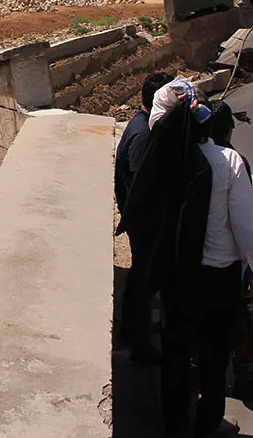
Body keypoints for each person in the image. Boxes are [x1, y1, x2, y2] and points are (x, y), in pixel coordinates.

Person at [124, 78, 253, 437]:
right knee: (214, 359)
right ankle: (206, 425)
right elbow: (247, 229)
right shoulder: (228, 161)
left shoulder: (159, 164)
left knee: (176, 353)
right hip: (219, 279)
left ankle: (174, 424)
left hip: (177, 280)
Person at [206, 100, 253, 403]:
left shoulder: (192, 156)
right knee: (241, 322)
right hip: (228, 262)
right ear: (230, 129)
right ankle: (242, 379)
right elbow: (245, 223)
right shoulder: (235, 163)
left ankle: (209, 378)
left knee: (206, 327)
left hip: (195, 262)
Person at [114, 72, 175, 361]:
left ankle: (132, 330)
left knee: (141, 276)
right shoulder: (143, 134)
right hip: (143, 222)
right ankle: (138, 342)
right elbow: (142, 182)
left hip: (141, 219)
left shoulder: (142, 127)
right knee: (143, 278)